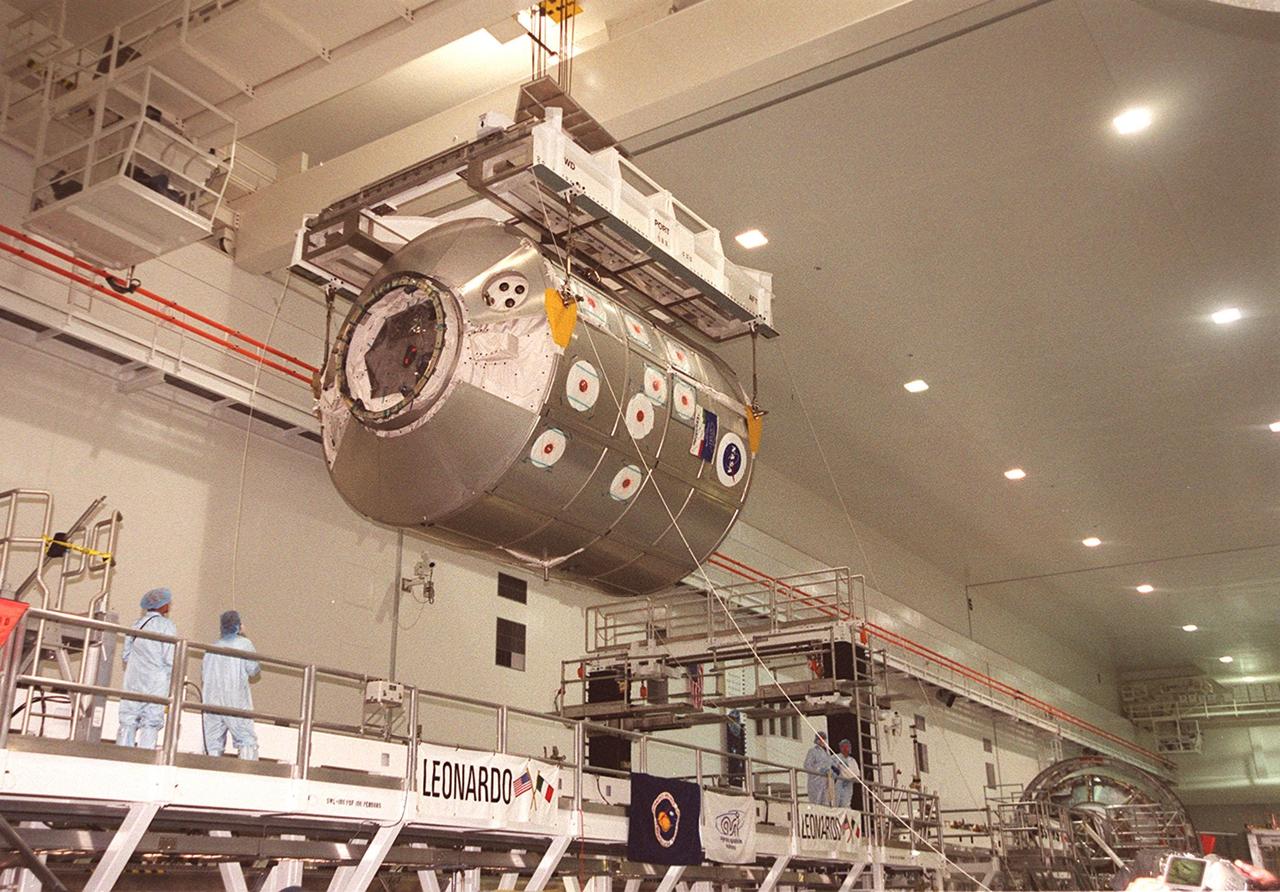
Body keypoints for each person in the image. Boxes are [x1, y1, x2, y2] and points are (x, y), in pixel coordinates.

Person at [116, 588, 176, 749]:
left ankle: (120, 755)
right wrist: (171, 679)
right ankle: (145, 756)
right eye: (167, 603)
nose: (169, 606)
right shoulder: (166, 626)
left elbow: (126, 655)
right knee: (151, 721)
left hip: (133, 680)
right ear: (162, 606)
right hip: (155, 681)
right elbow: (170, 657)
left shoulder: (137, 624)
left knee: (128, 719)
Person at [201, 610, 261, 760]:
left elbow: (204, 674)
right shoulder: (244, 644)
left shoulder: (212, 648)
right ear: (238, 626)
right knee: (245, 738)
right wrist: (244, 636)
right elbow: (253, 670)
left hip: (211, 701)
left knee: (213, 742)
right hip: (235, 700)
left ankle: (210, 771)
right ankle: (248, 774)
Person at [803, 732, 836, 805]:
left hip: (826, 781)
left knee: (826, 802)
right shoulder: (813, 751)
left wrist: (833, 771)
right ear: (817, 740)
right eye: (821, 739)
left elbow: (830, 764)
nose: (823, 741)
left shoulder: (827, 753)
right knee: (816, 802)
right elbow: (807, 765)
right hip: (816, 781)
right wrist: (818, 770)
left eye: (824, 739)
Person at [832, 738, 860, 808]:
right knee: (836, 801)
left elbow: (857, 776)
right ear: (840, 748)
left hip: (849, 784)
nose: (845, 749)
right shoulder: (835, 757)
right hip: (838, 782)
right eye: (843, 747)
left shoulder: (852, 761)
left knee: (846, 803)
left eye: (847, 747)